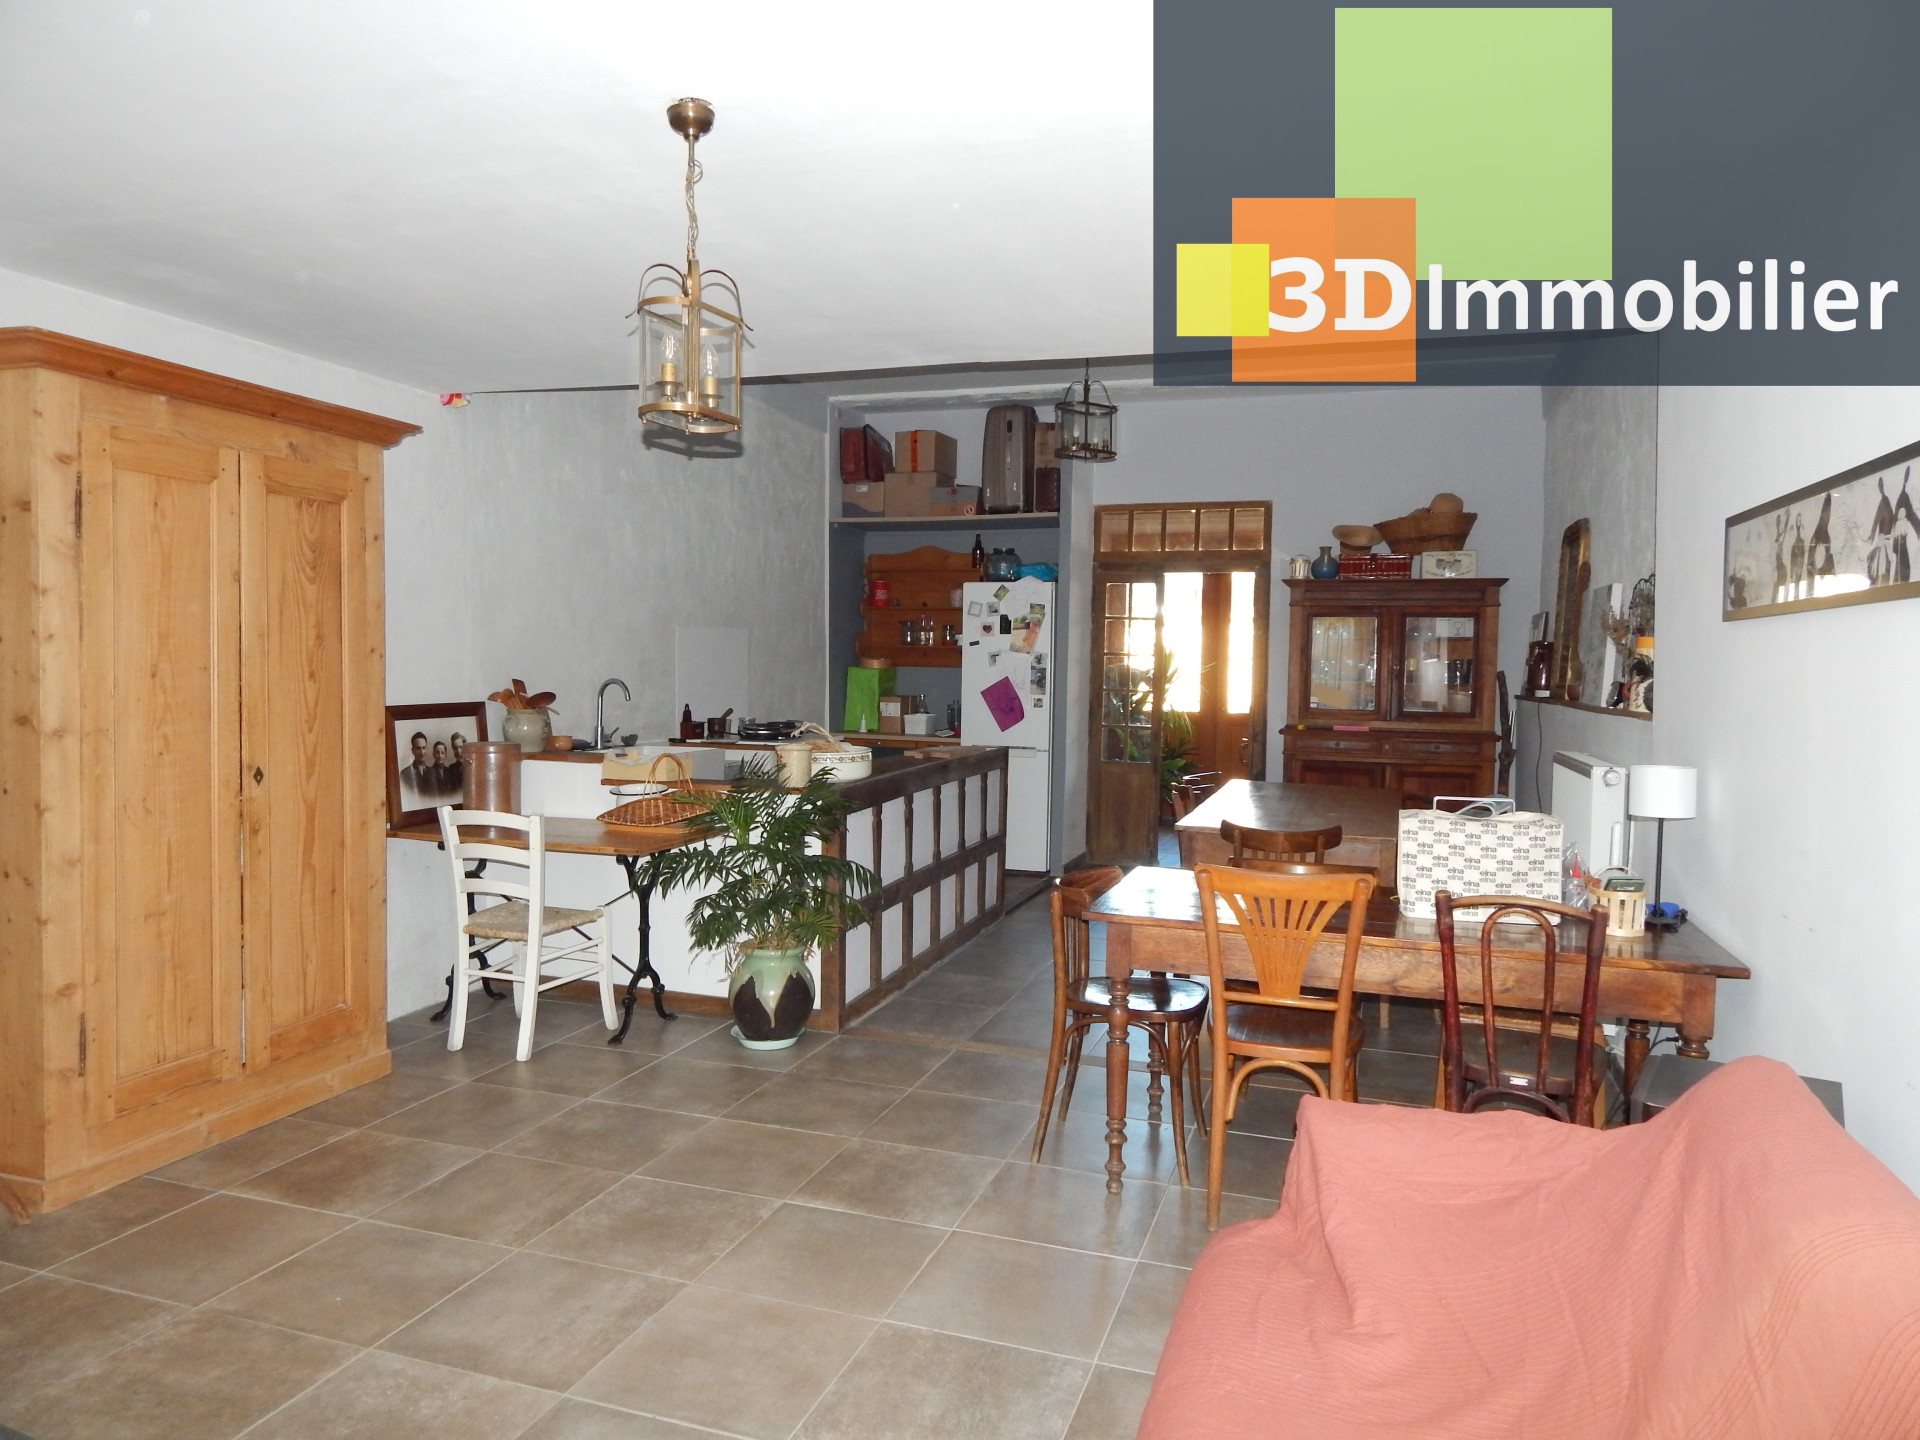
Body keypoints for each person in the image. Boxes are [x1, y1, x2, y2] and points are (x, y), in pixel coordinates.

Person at [402, 731, 436, 803]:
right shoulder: (405, 774)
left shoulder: (433, 772)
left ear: (427, 749)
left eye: (424, 748)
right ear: (413, 751)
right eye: (418, 748)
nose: (422, 752)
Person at [447, 732, 468, 800]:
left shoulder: (474, 765)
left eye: (460, 747)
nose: (458, 751)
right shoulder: (451, 769)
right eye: (455, 748)